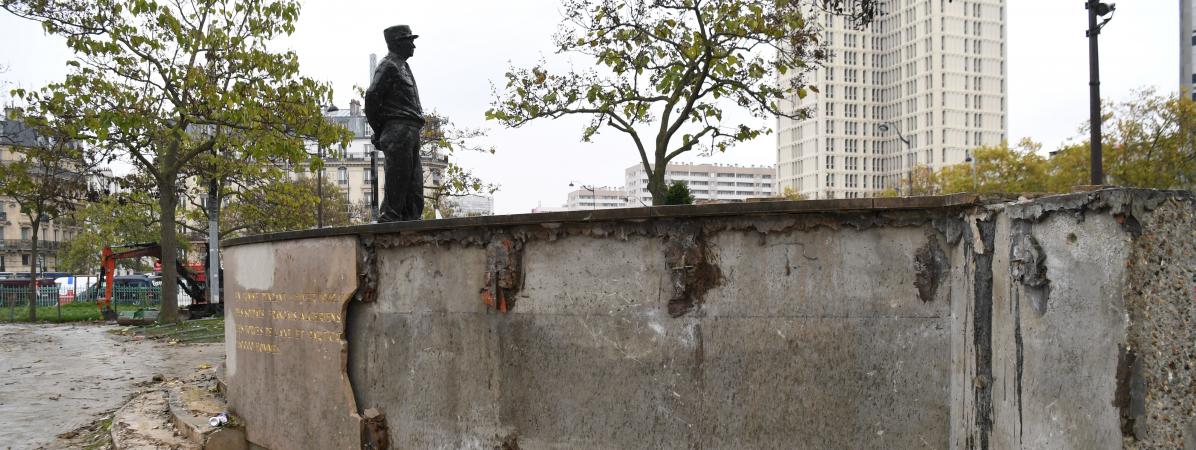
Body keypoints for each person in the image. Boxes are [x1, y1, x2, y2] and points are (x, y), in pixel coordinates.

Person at [365, 25, 425, 222]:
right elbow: (372, 96)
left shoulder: (403, 65)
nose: (413, 45)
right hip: (398, 130)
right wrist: (380, 130)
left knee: (414, 187)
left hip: (411, 131)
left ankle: (412, 220)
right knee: (397, 184)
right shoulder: (388, 65)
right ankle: (389, 224)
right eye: (410, 40)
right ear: (398, 43)